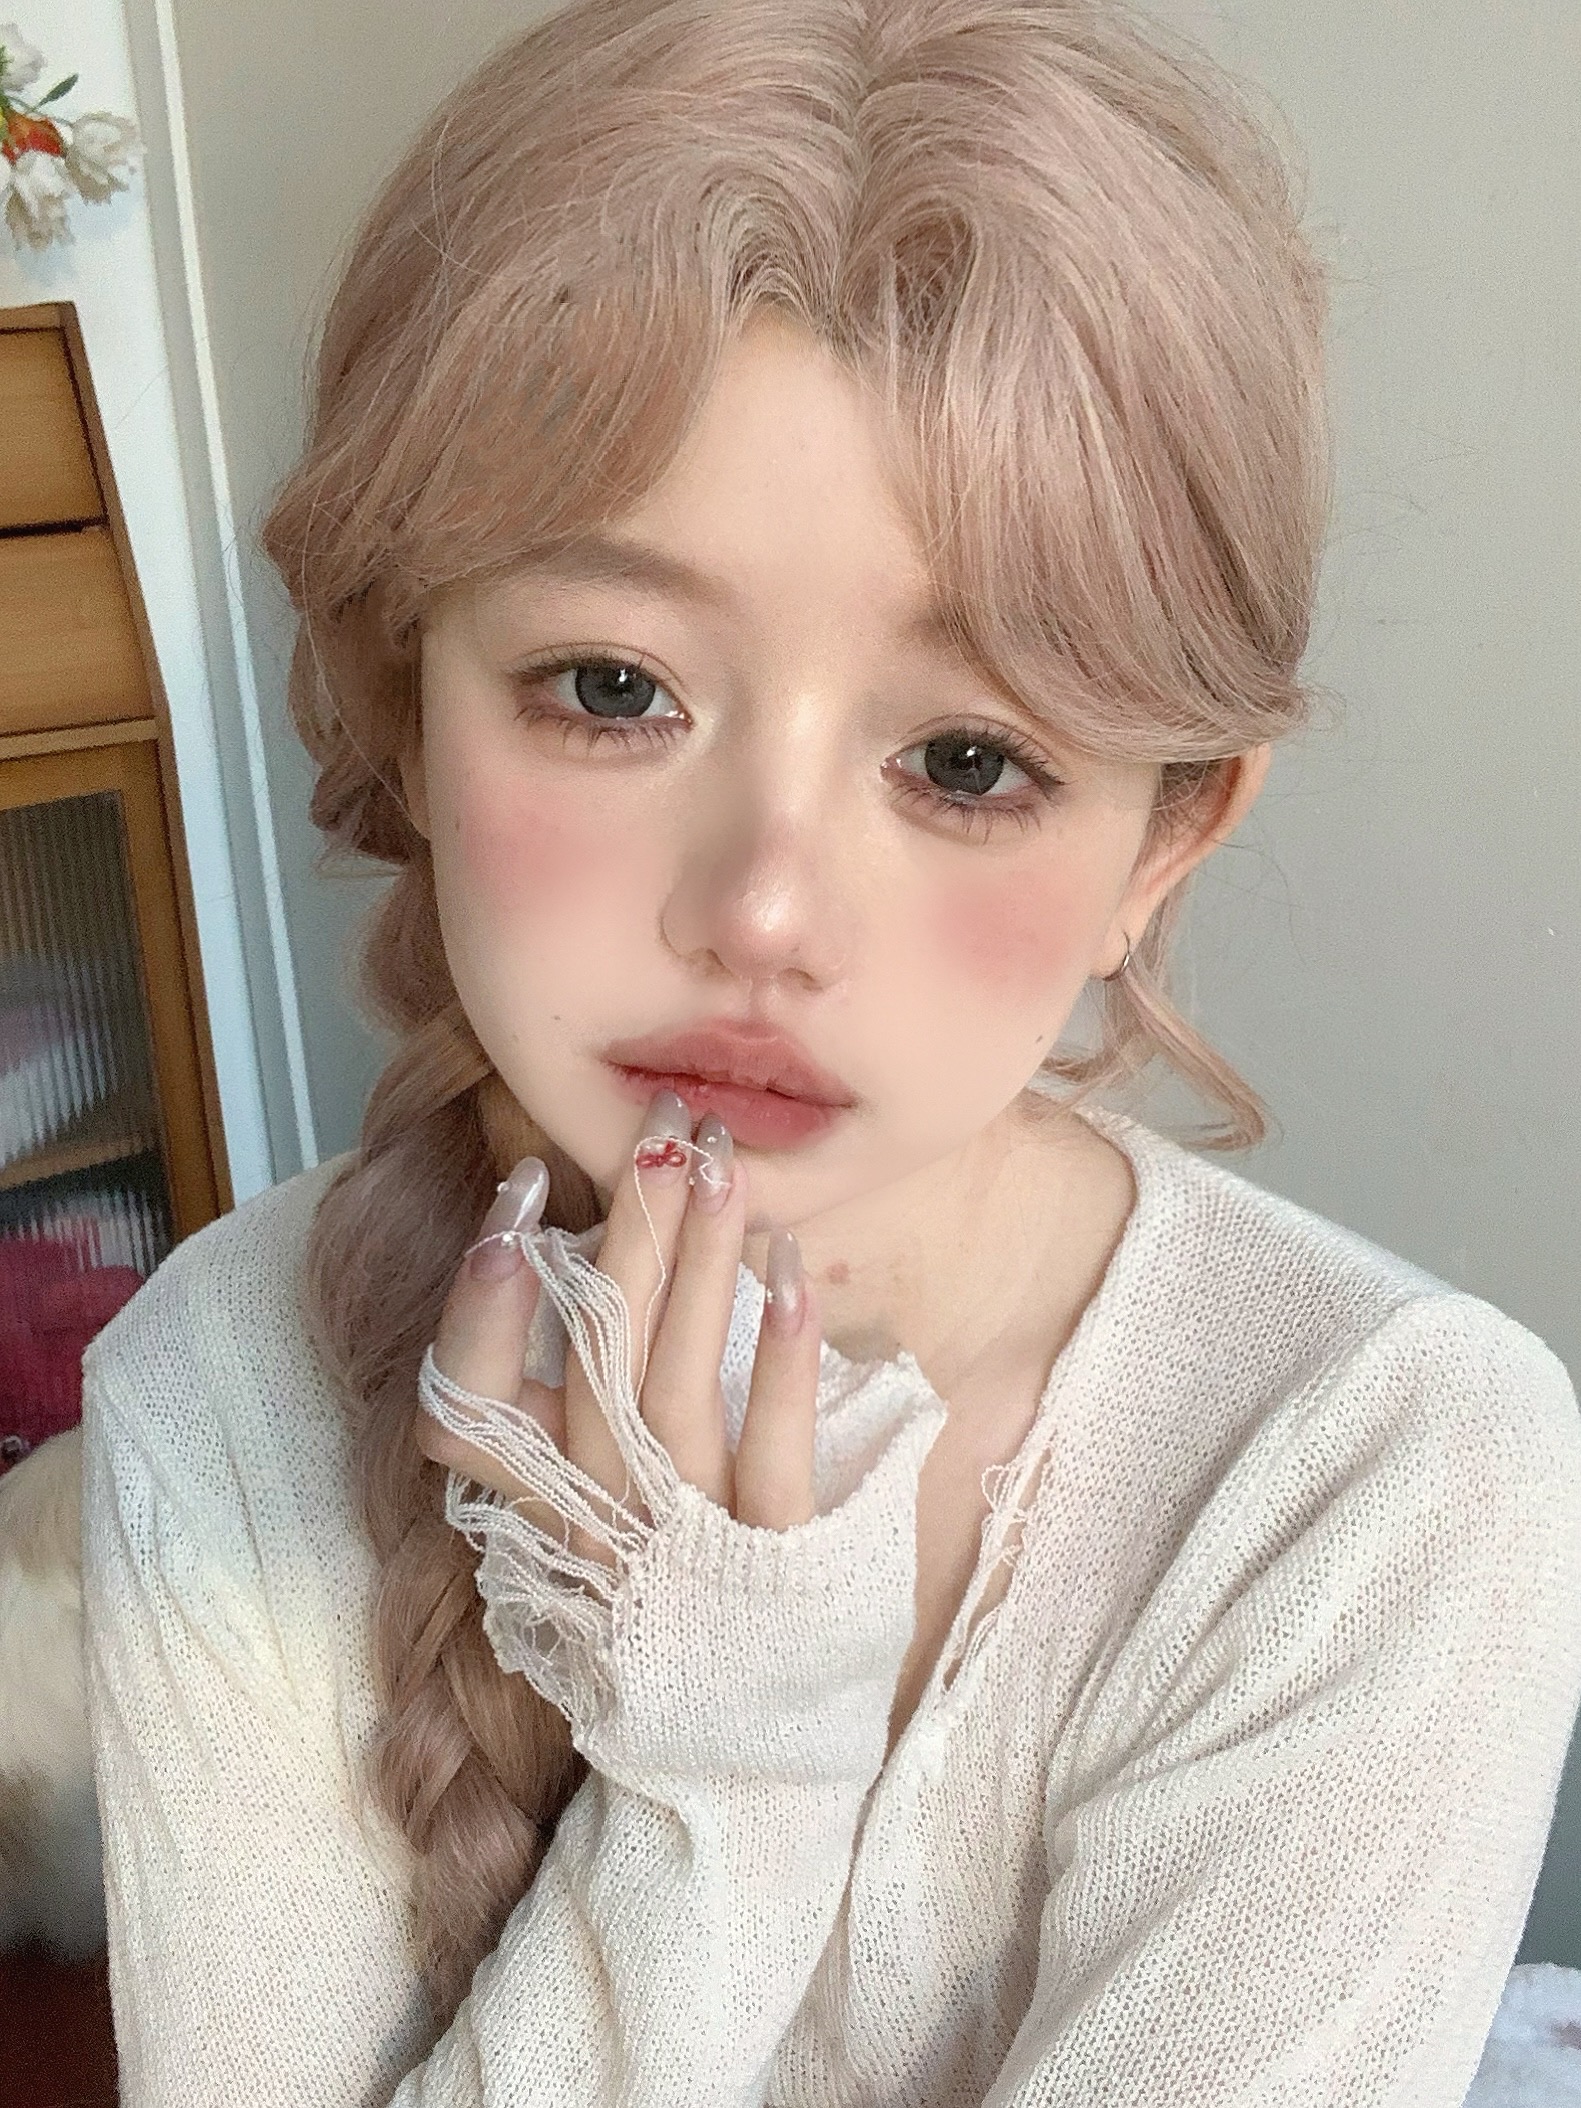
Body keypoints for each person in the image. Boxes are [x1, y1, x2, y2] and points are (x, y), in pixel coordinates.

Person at [78, 0, 1581, 2101]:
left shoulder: (1373, 1468)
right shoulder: (222, 1389)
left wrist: (728, 1733)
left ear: (1162, 840)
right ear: (398, 707)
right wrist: (722, 1780)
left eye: (965, 759)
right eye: (612, 687)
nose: (764, 911)